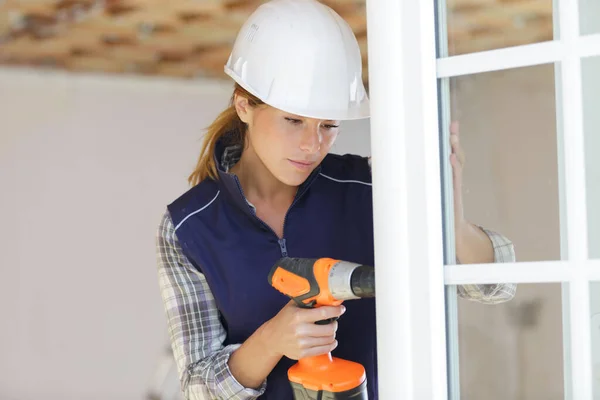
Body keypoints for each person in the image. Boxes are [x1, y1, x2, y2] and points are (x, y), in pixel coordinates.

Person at [155, 1, 517, 399]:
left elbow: (495, 285)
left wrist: (449, 210)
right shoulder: (188, 227)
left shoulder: (372, 185)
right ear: (244, 105)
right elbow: (197, 389)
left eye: (329, 125)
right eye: (293, 121)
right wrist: (273, 340)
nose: (313, 145)